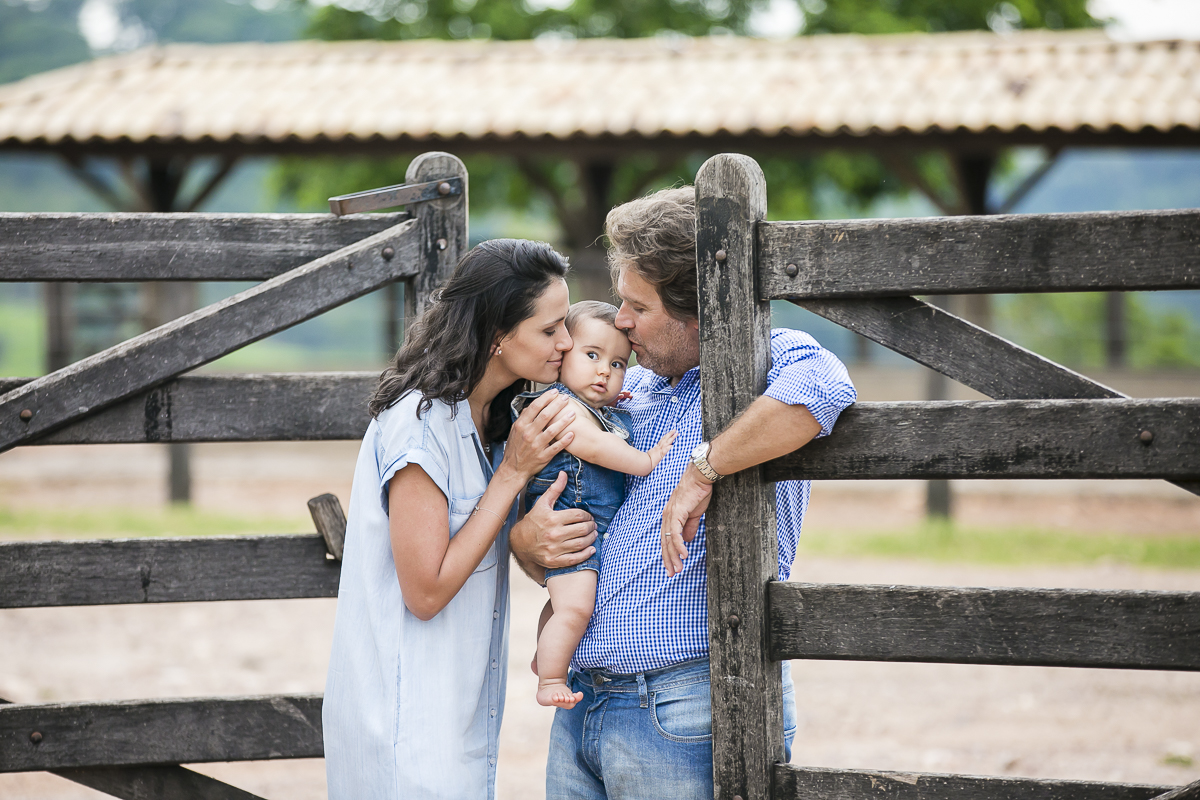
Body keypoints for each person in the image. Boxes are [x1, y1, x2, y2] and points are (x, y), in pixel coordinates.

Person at [508, 187, 858, 799]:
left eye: (637, 307)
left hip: (681, 702)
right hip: (584, 698)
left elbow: (825, 385)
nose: (620, 322)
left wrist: (703, 472)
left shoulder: (771, 361)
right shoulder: (631, 385)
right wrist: (525, 539)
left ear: (696, 308)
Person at [323, 239, 583, 800]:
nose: (566, 342)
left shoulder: (491, 418)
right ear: (496, 336)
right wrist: (511, 476)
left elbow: (483, 540)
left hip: (456, 714)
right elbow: (426, 592)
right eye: (549, 329)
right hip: (404, 726)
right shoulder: (419, 427)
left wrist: (527, 538)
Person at [514, 301, 676, 710]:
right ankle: (551, 678)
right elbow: (591, 443)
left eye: (618, 363)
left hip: (586, 529)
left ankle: (545, 654)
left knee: (562, 604)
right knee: (575, 607)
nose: (605, 370)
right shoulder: (561, 407)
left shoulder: (591, 407)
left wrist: (609, 406)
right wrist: (646, 460)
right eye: (592, 356)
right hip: (574, 527)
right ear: (563, 353)